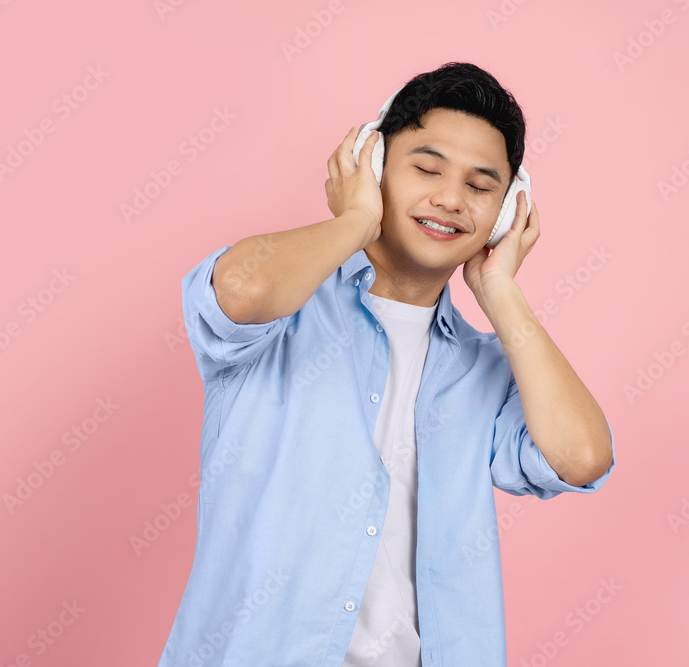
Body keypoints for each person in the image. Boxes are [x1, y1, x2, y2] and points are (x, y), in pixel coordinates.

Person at [157, 61, 615, 667]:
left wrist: (500, 290)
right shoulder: (282, 315)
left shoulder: (485, 370)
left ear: (505, 214)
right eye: (426, 169)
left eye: (481, 187)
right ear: (373, 169)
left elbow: (581, 457)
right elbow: (237, 289)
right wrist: (354, 221)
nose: (451, 198)